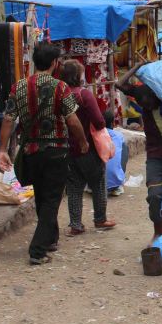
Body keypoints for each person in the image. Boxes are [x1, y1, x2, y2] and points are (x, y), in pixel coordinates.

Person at [0, 43, 89, 265]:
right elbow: (73, 120)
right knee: (52, 199)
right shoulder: (60, 87)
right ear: (55, 63)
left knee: (42, 195)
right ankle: (37, 250)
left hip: (30, 151)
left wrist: (2, 149)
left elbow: (9, 119)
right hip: (56, 150)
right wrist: (83, 141)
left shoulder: (19, 87)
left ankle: (50, 239)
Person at [115, 61, 162, 244]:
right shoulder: (144, 94)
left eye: (146, 102)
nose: (143, 105)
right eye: (142, 102)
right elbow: (120, 84)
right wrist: (137, 66)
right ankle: (159, 232)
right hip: (155, 156)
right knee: (154, 196)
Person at [57, 60, 116, 236]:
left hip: (68, 148)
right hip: (88, 147)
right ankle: (100, 219)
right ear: (78, 76)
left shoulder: (59, 96)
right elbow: (99, 121)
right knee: (97, 182)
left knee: (74, 187)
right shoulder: (84, 95)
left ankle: (76, 224)